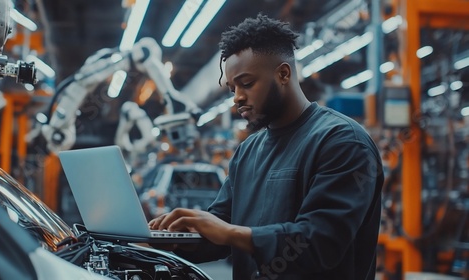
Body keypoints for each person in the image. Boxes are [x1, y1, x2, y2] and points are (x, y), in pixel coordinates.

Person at [149, 13, 384, 280]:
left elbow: (321, 242)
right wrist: (168, 239)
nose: (238, 97)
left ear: (283, 73)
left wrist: (229, 232)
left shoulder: (342, 142)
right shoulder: (247, 152)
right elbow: (220, 232)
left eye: (247, 83)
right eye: (232, 88)